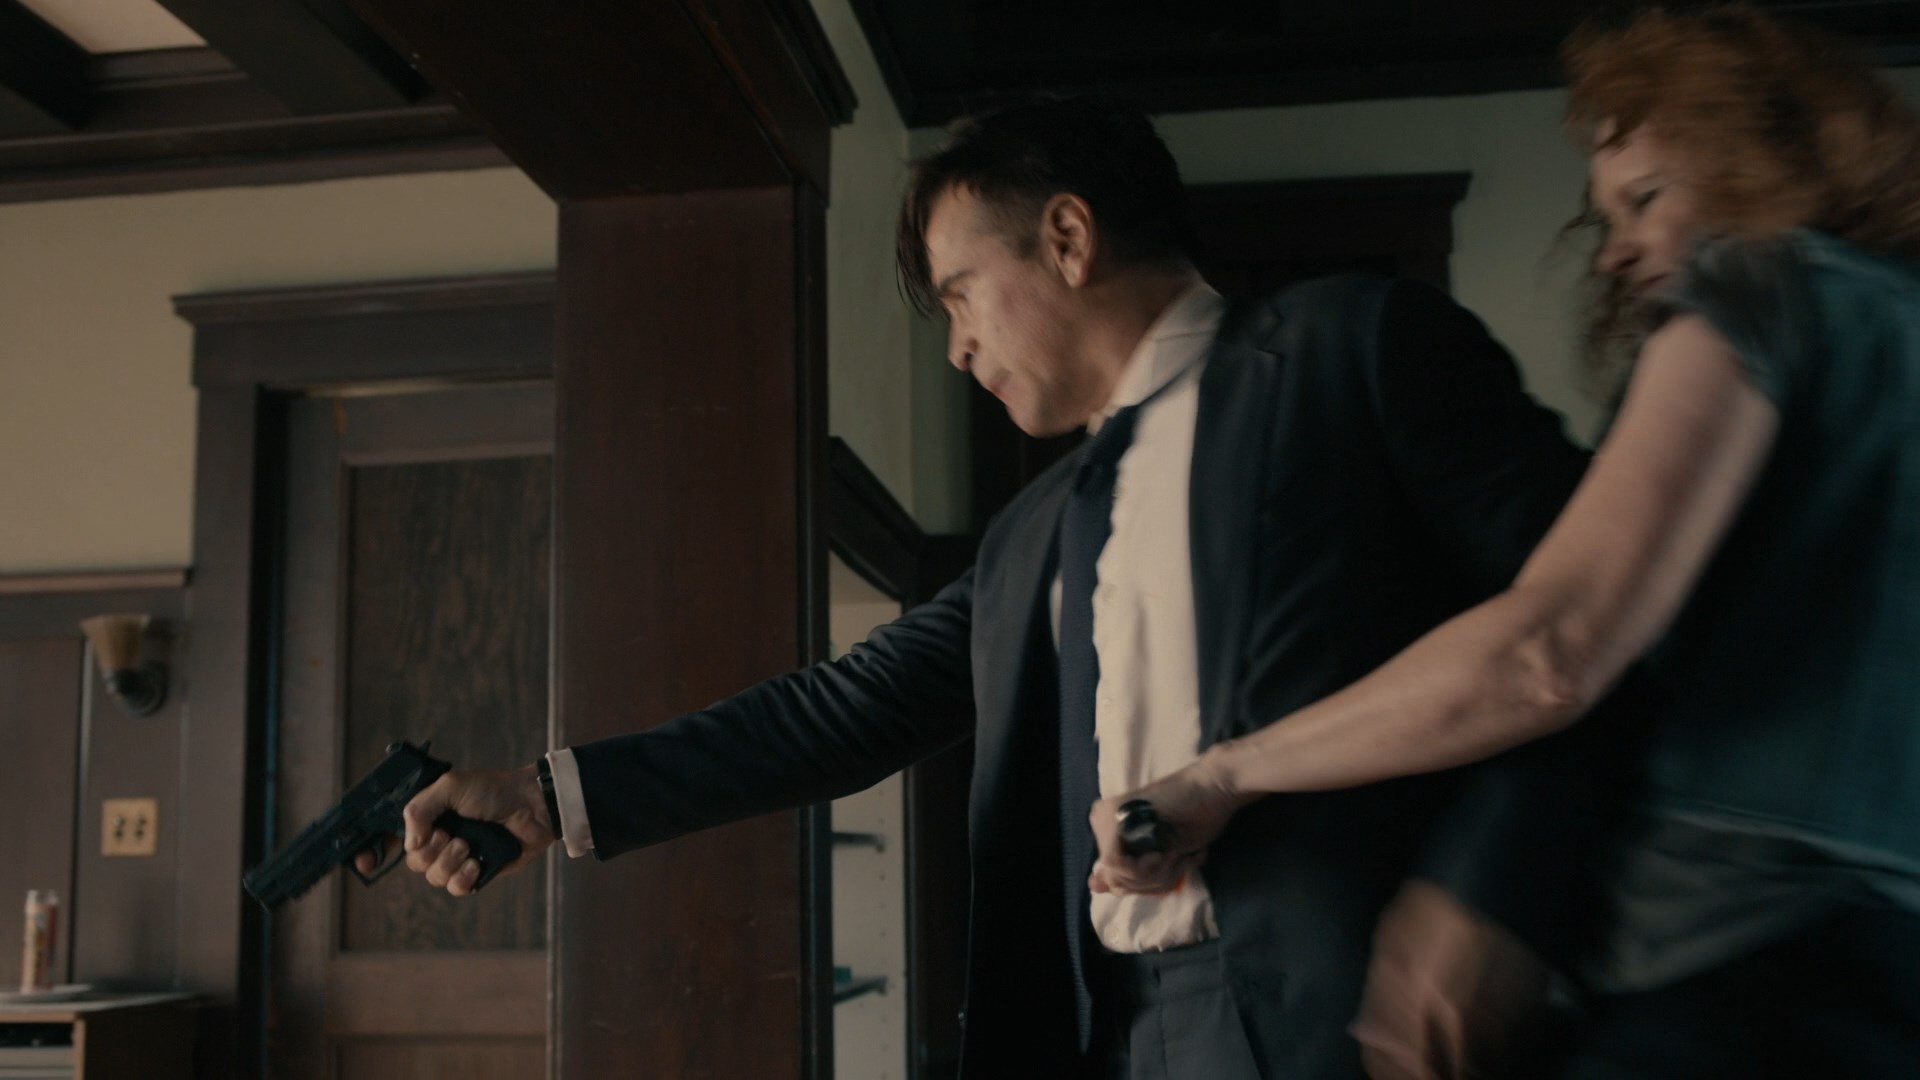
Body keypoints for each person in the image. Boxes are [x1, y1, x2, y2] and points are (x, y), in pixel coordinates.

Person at [375, 97, 1610, 1078]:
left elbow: (1598, 623)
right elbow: (842, 710)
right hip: (1112, 1029)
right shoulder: (1033, 537)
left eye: (960, 294)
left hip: (1366, 1007)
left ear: (1068, 238)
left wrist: (1492, 901)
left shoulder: (1358, 349)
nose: (960, 346)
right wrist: (544, 795)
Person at [1087, 8, 1920, 1077]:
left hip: (1731, 983)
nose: (1616, 250)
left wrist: (1222, 775)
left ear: (1760, 158)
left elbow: (1548, 652)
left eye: (1646, 199)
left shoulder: (1757, 286)